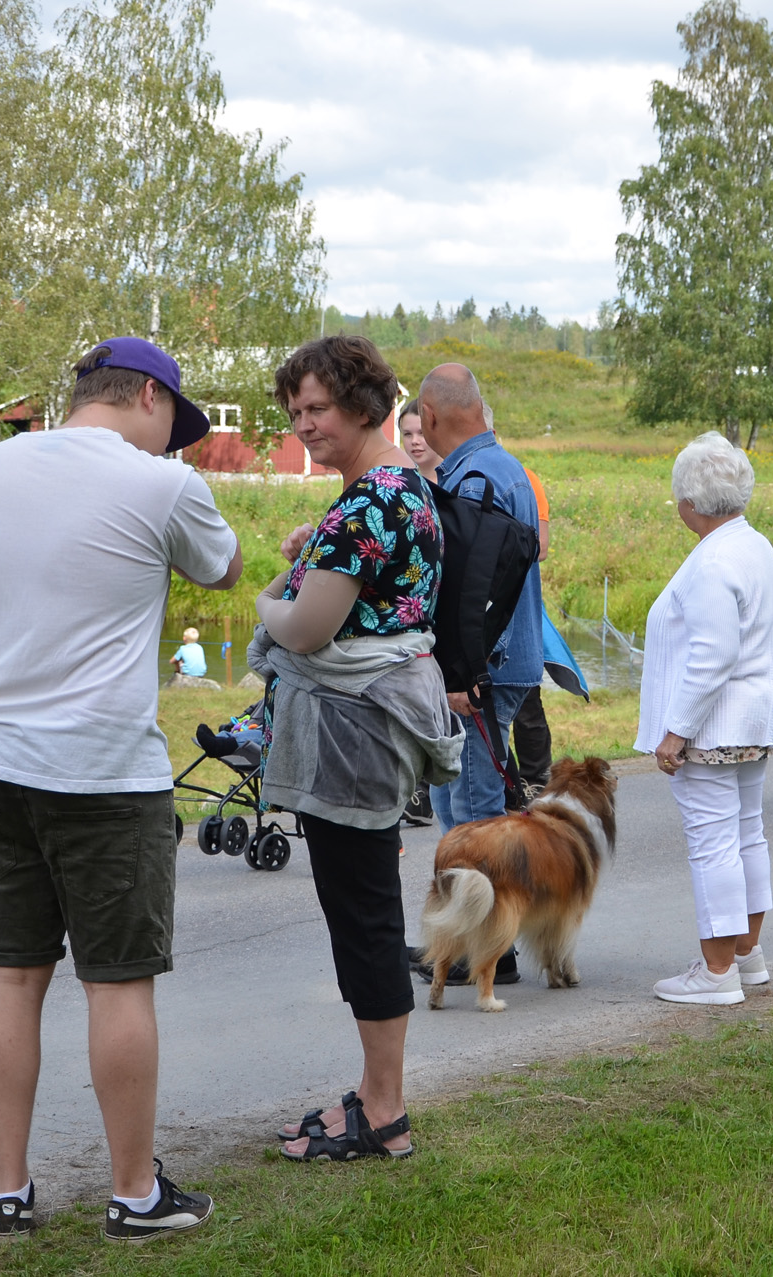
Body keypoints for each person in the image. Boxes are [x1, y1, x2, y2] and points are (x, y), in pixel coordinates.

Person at [0, 336, 241, 1242]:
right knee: (118, 983)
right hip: (105, 771)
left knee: (9, 975)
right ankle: (134, 1194)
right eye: (174, 425)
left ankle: (6, 1191)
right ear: (150, 399)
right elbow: (225, 568)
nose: (174, 444)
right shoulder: (163, 483)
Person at [254, 335, 460, 1164]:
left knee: (363, 917)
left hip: (351, 730)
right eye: (295, 411)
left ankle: (383, 1112)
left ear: (364, 404)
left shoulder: (366, 503)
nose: (305, 424)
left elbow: (305, 628)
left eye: (319, 408)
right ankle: (377, 1095)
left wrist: (272, 597)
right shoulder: (405, 487)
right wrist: (316, 553)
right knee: (364, 909)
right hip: (383, 722)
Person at [639, 433, 773, 1003]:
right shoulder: (755, 545)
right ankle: (745, 954)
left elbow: (713, 655)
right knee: (746, 833)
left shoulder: (712, 561)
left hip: (714, 725)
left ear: (690, 502)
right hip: (755, 720)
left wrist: (675, 732)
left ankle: (715, 974)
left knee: (713, 844)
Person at [413, 362, 543, 834]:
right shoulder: (501, 467)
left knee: (473, 818)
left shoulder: (475, 481)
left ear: (429, 415)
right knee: (454, 805)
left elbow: (478, 592)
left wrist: (467, 675)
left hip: (480, 678)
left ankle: (482, 887)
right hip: (495, 668)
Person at [511, 464, 555, 805]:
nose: (415, 441)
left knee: (526, 699)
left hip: (516, 605)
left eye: (420, 436)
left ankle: (537, 780)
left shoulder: (524, 477)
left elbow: (540, 547)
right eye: (409, 437)